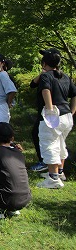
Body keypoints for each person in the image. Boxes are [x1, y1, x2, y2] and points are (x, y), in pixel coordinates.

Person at [35, 48, 76, 189]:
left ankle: (53, 179)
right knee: (60, 144)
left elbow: (45, 90)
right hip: (67, 115)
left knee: (49, 143)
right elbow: (74, 94)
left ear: (44, 63)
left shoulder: (46, 76)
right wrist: (72, 111)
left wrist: (50, 109)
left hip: (54, 116)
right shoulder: (65, 77)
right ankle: (59, 173)